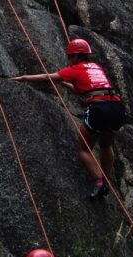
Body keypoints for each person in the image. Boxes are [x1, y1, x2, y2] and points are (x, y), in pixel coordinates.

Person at [11, 39, 126, 199]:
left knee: (84, 149)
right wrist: (64, 83)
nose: (70, 60)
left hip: (99, 109)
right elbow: (84, 90)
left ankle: (100, 182)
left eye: (70, 57)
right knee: (106, 145)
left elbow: (47, 77)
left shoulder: (75, 68)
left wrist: (24, 78)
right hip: (116, 107)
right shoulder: (96, 68)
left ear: (76, 57)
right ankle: (105, 178)